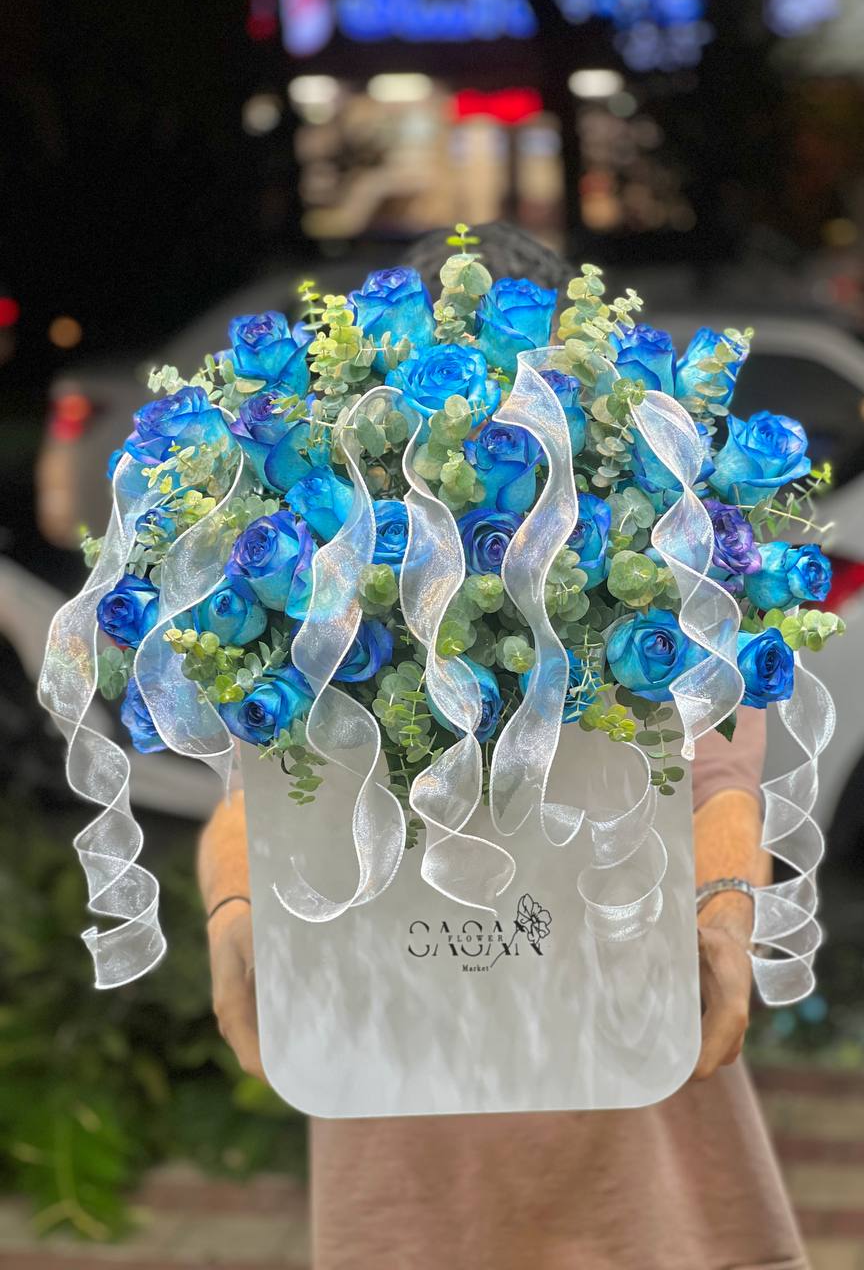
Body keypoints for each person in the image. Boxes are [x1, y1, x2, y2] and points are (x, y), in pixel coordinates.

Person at [199, 227, 809, 1270]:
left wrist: (722, 902)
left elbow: (713, 770)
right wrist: (233, 900)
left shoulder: (656, 572)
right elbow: (260, 784)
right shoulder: (334, 592)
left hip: (615, 1042)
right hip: (404, 1055)